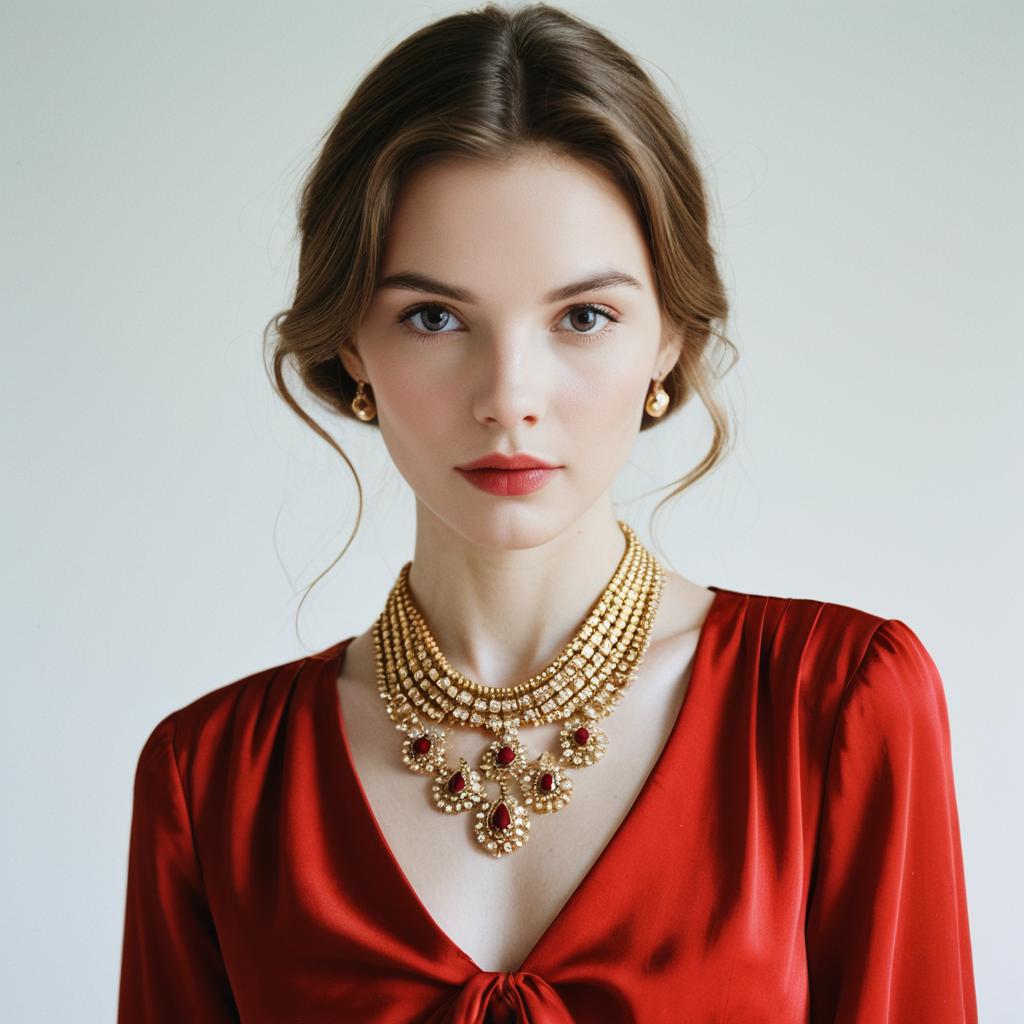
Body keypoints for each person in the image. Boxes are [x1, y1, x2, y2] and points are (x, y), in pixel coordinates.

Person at [116, 4, 978, 1021]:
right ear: (353, 347)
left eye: (583, 316)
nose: (509, 394)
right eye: (433, 317)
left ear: (667, 337)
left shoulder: (836, 707)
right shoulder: (211, 781)